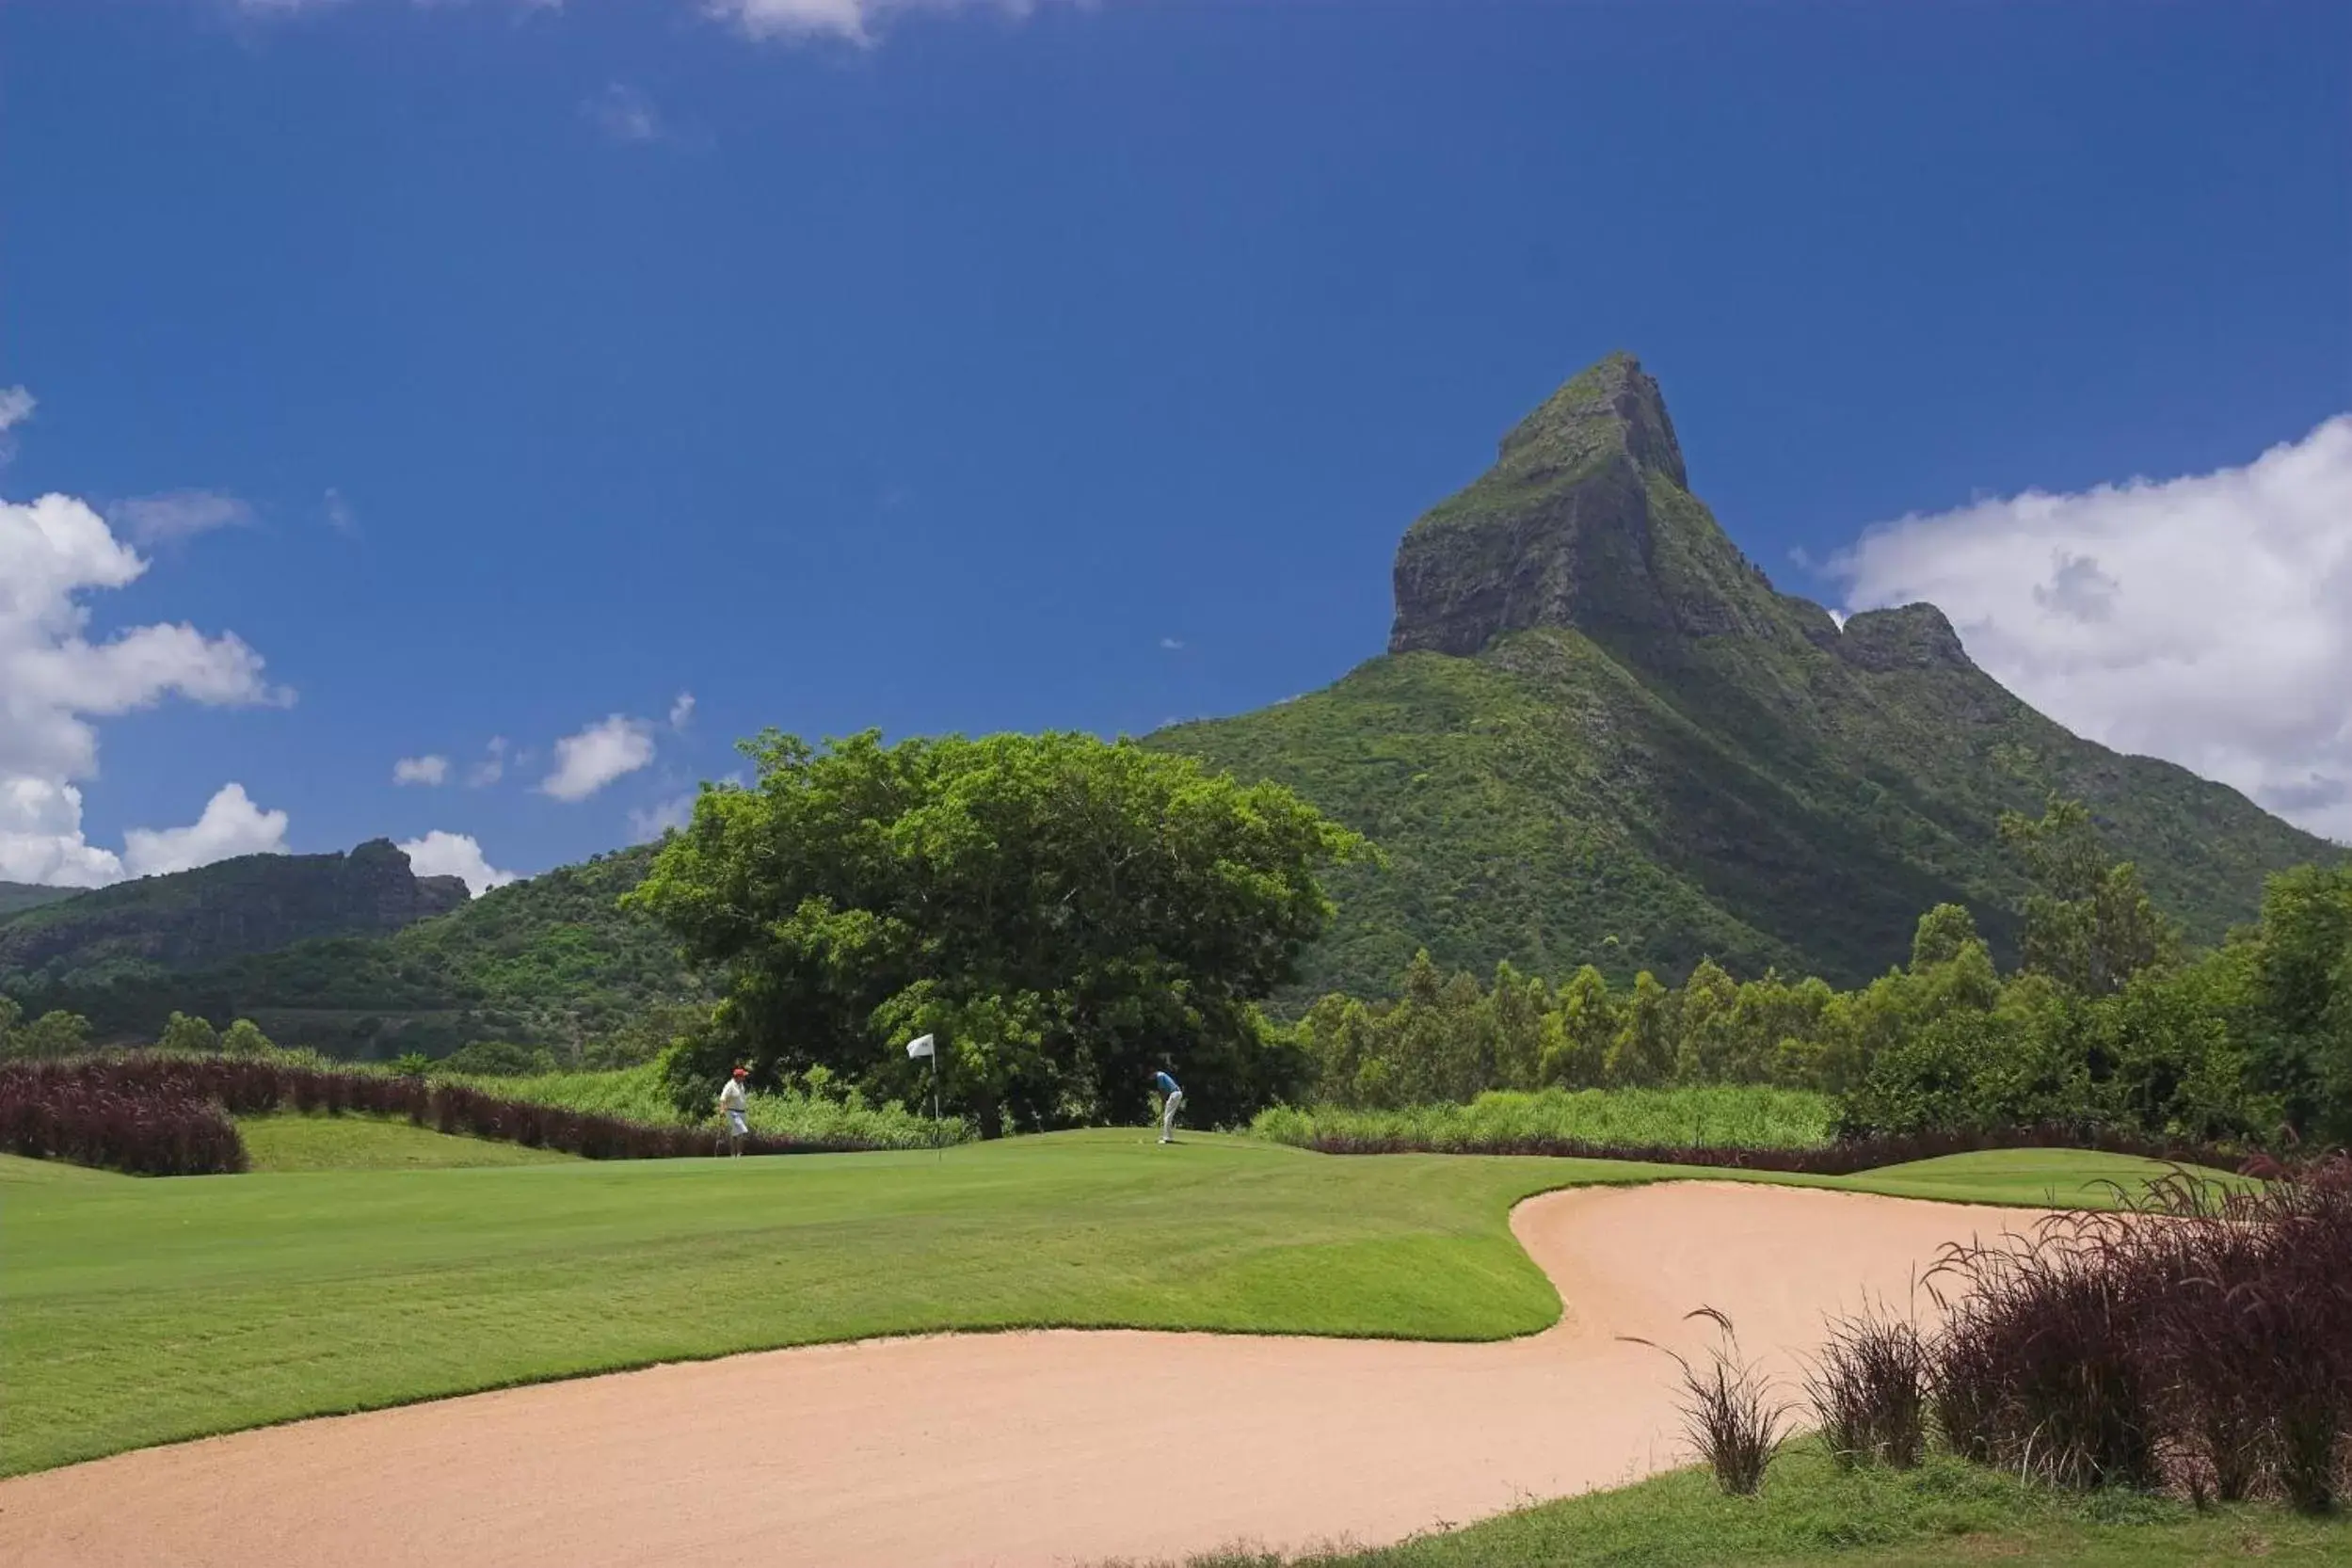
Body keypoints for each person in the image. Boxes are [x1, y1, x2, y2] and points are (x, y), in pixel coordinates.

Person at [717, 1066, 750, 1157]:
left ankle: (733, 1154)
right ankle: (738, 1154)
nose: (744, 1077)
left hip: (742, 1112)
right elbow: (723, 1098)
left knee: (735, 1133)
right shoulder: (730, 1085)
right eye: (742, 1076)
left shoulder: (741, 1085)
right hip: (732, 1112)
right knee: (741, 1131)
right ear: (737, 1077)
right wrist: (722, 1109)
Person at [1150, 1068, 1184, 1144]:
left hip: (1175, 1094)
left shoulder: (1159, 1076)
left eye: (1150, 1076)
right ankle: (1168, 1136)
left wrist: (1163, 1103)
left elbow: (1163, 1091)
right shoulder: (1161, 1074)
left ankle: (1167, 1138)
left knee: (1167, 1117)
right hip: (1176, 1094)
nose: (1150, 1078)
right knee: (1167, 1117)